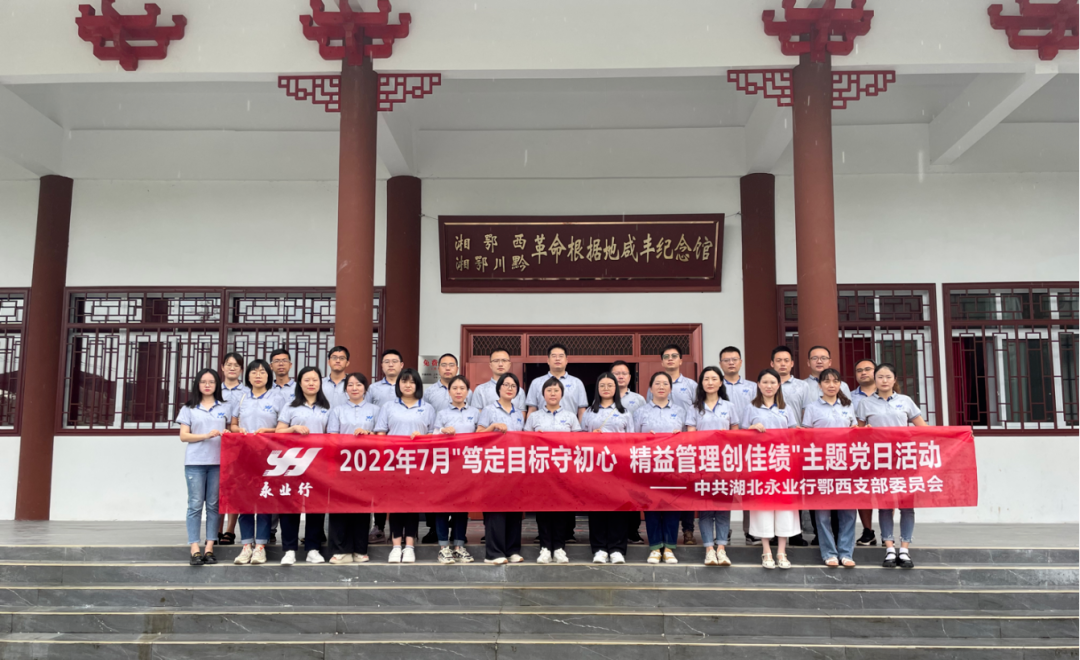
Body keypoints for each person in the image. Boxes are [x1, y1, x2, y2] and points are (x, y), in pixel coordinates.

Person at [856, 363, 928, 570]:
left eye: (888, 376)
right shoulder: (865, 404)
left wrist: (955, 435)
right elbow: (858, 434)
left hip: (904, 459)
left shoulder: (905, 401)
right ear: (875, 379)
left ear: (894, 379)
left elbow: (923, 429)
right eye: (880, 377)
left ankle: (904, 549)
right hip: (879, 461)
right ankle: (889, 547)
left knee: (906, 506)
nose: (884, 380)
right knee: (885, 505)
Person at [375, 368, 436, 563]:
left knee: (412, 505)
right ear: (398, 384)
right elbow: (380, 433)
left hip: (418, 463)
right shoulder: (388, 407)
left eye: (412, 382)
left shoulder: (428, 408)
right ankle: (395, 546)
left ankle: (409, 545)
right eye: (404, 381)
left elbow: (434, 436)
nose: (408, 385)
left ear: (418, 385)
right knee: (395, 505)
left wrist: (422, 438)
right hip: (394, 463)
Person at [274, 366, 333, 566]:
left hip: (318, 464)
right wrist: (293, 428)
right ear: (300, 383)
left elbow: (332, 436)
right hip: (292, 463)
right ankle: (289, 550)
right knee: (290, 506)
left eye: (315, 380)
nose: (311, 383)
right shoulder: (290, 406)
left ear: (320, 383)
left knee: (316, 507)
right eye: (307, 380)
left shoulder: (327, 407)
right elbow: (278, 432)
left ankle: (313, 549)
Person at [744, 368, 800, 569]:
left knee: (784, 507)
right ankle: (766, 550)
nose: (769, 386)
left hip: (783, 464)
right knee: (763, 507)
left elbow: (794, 434)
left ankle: (782, 551)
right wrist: (750, 429)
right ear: (758, 385)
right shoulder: (751, 407)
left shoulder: (787, 408)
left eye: (772, 382)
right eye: (765, 382)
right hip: (760, 464)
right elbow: (740, 435)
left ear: (779, 385)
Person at [802, 368, 858, 568]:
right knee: (822, 513)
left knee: (848, 511)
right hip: (821, 466)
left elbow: (854, 433)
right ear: (819, 385)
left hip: (846, 465)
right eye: (826, 381)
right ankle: (829, 553)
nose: (831, 385)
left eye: (835, 381)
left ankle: (846, 552)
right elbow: (806, 437)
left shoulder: (848, 406)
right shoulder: (812, 408)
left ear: (840, 384)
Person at [685, 366, 740, 567]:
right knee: (706, 509)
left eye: (714, 378)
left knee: (723, 508)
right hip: (702, 463)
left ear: (720, 382)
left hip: (725, 463)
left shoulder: (729, 406)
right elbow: (690, 437)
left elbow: (735, 435)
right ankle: (709, 549)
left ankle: (721, 549)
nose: (710, 382)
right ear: (701, 383)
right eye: (706, 379)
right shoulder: (694, 408)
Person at [524, 377, 583, 564]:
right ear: (543, 394)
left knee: (561, 509)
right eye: (549, 390)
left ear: (562, 394)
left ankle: (558, 547)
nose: (552, 393)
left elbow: (577, 443)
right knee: (543, 509)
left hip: (563, 471)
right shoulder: (534, 417)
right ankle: (544, 547)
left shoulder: (571, 417)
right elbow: (525, 442)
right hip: (541, 470)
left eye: (556, 390)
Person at [229, 359, 281, 566]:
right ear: (248, 376)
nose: (258, 375)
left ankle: (260, 546)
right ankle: (246, 545)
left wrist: (267, 431)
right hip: (245, 456)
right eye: (254, 372)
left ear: (269, 375)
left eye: (262, 372)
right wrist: (238, 430)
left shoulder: (277, 398)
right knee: (245, 501)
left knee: (264, 500)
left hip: (269, 456)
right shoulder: (241, 397)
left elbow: (283, 427)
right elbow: (233, 424)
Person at [646, 344, 698, 544]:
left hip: (683, 447)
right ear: (661, 361)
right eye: (666, 356)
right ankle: (660, 538)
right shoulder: (654, 386)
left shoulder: (691, 385)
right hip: (657, 452)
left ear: (680, 360)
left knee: (684, 490)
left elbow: (695, 412)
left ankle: (688, 530)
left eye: (674, 356)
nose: (670, 359)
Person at [326, 372, 379, 564]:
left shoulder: (375, 410)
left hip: (366, 465)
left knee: (362, 507)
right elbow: (332, 436)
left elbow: (382, 435)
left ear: (365, 387)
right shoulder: (337, 410)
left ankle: (360, 549)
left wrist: (369, 434)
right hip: (341, 464)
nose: (354, 388)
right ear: (345, 389)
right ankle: (341, 550)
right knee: (339, 507)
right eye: (350, 385)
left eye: (358, 384)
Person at [177, 368, 228, 566]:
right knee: (195, 504)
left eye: (212, 382)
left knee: (214, 505)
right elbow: (184, 436)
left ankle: (209, 547)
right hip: (195, 462)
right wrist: (206, 435)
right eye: (203, 382)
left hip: (218, 462)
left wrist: (228, 433)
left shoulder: (224, 406)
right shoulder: (189, 408)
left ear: (217, 385)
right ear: (197, 385)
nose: (207, 385)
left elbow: (232, 429)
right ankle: (194, 548)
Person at [419, 353, 472, 543]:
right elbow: (429, 420)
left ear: (457, 368)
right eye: (444, 365)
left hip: (464, 456)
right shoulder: (430, 392)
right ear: (438, 368)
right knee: (437, 495)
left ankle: (458, 537)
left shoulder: (470, 398)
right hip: (439, 453)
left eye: (451, 365)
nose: (448, 368)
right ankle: (434, 531)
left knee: (461, 498)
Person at [581, 372, 633, 564]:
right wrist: (591, 437)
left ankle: (617, 548)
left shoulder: (624, 412)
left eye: (610, 385)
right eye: (602, 385)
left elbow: (632, 440)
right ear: (597, 388)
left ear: (616, 388)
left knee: (618, 506)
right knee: (597, 507)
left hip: (619, 466)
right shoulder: (589, 412)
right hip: (595, 466)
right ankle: (599, 548)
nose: (606, 388)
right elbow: (580, 439)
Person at [636, 371, 686, 565]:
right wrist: (644, 438)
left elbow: (691, 438)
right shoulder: (641, 412)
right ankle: (655, 548)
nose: (661, 387)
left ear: (670, 389)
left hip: (674, 466)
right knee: (652, 508)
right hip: (649, 467)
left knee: (672, 507)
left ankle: (670, 548)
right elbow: (632, 440)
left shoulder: (681, 411)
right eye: (657, 383)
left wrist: (680, 436)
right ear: (650, 388)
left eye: (665, 383)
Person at [476, 373, 527, 564]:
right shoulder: (489, 410)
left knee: (514, 509)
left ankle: (512, 550)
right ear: (499, 388)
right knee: (495, 509)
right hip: (494, 465)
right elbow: (478, 434)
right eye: (506, 384)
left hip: (515, 465)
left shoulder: (519, 413)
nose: (509, 388)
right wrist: (493, 427)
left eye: (513, 386)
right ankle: (494, 553)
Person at [433, 374, 478, 564]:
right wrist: (442, 431)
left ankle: (459, 546)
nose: (458, 391)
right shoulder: (442, 414)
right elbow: (433, 436)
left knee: (462, 506)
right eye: (455, 388)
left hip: (467, 465)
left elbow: (481, 435)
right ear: (449, 392)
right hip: (446, 465)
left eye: (462, 388)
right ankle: (444, 548)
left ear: (468, 391)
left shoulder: (475, 412)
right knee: (443, 506)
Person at [718, 346, 759, 546]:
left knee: (748, 487)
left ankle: (750, 530)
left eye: (734, 359)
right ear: (720, 364)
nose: (731, 363)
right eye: (726, 360)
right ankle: (723, 530)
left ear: (741, 362)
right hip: (723, 446)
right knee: (724, 487)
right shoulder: (716, 385)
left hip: (749, 443)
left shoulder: (753, 387)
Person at [769, 345, 810, 546]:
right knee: (773, 488)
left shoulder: (802, 386)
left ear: (792, 364)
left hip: (794, 444)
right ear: (772, 363)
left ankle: (795, 533)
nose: (782, 364)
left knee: (794, 489)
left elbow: (806, 413)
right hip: (770, 447)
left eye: (786, 360)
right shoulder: (766, 383)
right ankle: (774, 533)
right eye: (778, 360)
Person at [368, 349, 405, 543]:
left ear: (401, 365)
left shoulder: (409, 385)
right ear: (381, 365)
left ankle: (401, 529)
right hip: (380, 445)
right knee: (380, 486)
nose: (391, 364)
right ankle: (379, 526)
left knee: (403, 487)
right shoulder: (373, 389)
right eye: (387, 361)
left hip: (404, 447)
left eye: (394, 361)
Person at [611, 360, 647, 545]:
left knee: (632, 493)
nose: (620, 376)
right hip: (610, 455)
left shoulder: (639, 399)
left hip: (633, 452)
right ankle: (615, 531)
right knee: (614, 493)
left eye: (624, 373)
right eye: (616, 373)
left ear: (630, 377)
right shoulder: (603, 397)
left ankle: (633, 531)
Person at [216, 352, 248, 546]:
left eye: (236, 365)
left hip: (238, 444)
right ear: (222, 367)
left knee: (235, 487)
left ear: (241, 369)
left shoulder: (246, 392)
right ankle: (216, 529)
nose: (232, 368)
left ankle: (230, 530)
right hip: (216, 442)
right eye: (229, 364)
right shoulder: (214, 389)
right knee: (218, 488)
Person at [851, 359, 878, 547]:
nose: (863, 373)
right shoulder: (849, 396)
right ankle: (868, 531)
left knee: (885, 490)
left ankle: (887, 533)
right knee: (863, 490)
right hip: (859, 450)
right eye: (859, 370)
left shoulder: (889, 393)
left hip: (885, 450)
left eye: (868, 369)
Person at [526, 343, 588, 421]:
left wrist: (580, 429)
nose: (557, 359)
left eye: (561, 356)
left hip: (569, 427)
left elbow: (581, 411)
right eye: (554, 356)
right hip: (542, 427)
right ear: (548, 361)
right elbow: (532, 410)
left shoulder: (577, 383)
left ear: (566, 361)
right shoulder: (536, 383)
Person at [472, 348, 527, 412]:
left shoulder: (519, 391)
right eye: (496, 361)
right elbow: (476, 414)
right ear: (490, 365)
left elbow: (521, 414)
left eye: (504, 360)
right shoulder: (480, 390)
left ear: (509, 364)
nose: (500, 364)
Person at [321, 345, 351, 410]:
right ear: (329, 362)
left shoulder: (353, 384)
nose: (338, 361)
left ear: (347, 363)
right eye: (334, 358)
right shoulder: (320, 383)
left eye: (342, 358)